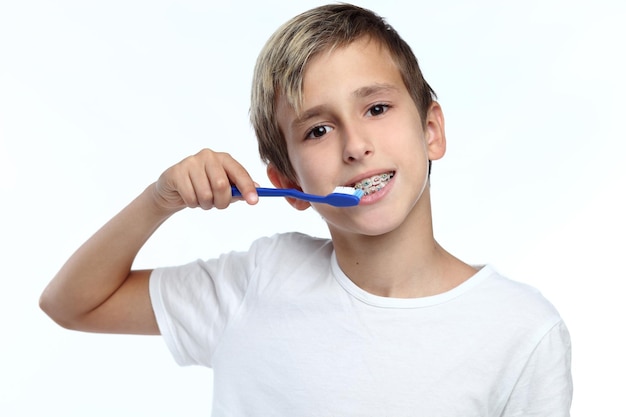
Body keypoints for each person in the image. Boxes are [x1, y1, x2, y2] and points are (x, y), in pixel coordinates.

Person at [40, 3, 572, 416]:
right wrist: (160, 200)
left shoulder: (521, 331)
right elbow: (72, 304)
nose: (355, 144)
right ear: (288, 183)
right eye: (318, 129)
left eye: (377, 108)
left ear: (431, 130)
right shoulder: (257, 283)